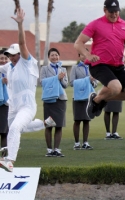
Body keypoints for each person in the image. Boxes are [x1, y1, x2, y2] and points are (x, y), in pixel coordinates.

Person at [0, 8, 56, 172]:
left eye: (13, 54)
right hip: (13, 107)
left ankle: (10, 161)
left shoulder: (26, 61)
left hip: (27, 106)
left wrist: (20, 24)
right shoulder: (9, 67)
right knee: (20, 128)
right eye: (9, 55)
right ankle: (46, 123)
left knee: (16, 128)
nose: (11, 57)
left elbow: (23, 44)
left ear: (20, 54)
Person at [74, 0, 125, 120]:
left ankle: (99, 98)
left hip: (118, 66)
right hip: (99, 65)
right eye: (111, 11)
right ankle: (97, 100)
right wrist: (88, 55)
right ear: (105, 10)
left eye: (116, 11)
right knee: (116, 87)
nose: (114, 14)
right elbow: (78, 43)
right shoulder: (95, 24)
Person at [40, 48, 68, 157]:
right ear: (48, 57)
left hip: (61, 99)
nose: (55, 57)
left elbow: (65, 85)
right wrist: (56, 77)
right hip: (49, 99)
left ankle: (56, 149)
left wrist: (61, 79)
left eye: (56, 55)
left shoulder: (63, 69)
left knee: (59, 125)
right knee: (49, 125)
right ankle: (49, 150)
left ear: (59, 56)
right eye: (52, 55)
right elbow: (42, 82)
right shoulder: (44, 69)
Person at [70, 51, 98, 150]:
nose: (84, 57)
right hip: (78, 97)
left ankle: (85, 143)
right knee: (77, 120)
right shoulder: (75, 67)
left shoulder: (92, 67)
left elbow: (96, 83)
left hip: (88, 97)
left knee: (87, 120)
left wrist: (92, 81)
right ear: (79, 56)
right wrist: (87, 79)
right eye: (82, 55)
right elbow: (72, 82)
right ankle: (77, 143)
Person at [0, 49, 9, 157]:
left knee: (5, 131)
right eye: (1, 58)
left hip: (7, 104)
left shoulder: (11, 70)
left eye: (5, 58)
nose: (3, 60)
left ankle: (4, 156)